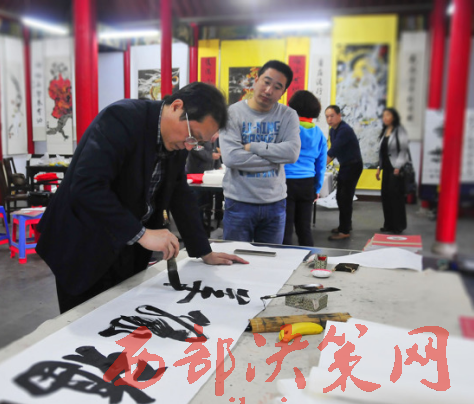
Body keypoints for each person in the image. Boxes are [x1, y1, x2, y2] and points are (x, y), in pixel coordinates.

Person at [36, 82, 248, 313]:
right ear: (177, 106)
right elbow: (87, 187)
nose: (190, 147)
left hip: (126, 245)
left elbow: (179, 193)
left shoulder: (177, 142)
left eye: (198, 143)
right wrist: (141, 233)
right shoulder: (121, 120)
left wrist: (203, 250)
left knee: (121, 314)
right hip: (83, 244)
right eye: (192, 136)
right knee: (84, 320)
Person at [220, 60, 301, 244]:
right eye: (266, 82)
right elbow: (231, 158)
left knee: (270, 259)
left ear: (283, 92)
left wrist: (254, 147)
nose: (269, 90)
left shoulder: (288, 115)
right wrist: (275, 159)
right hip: (239, 202)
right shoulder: (232, 113)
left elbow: (291, 154)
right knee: (235, 258)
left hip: (275, 204)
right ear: (256, 80)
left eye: (277, 87)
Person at [282, 90, 327, 246]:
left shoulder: (287, 129)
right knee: (304, 228)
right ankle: (309, 258)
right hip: (307, 183)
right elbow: (321, 165)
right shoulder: (319, 134)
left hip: (286, 181)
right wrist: (317, 188)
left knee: (285, 228)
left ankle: (284, 259)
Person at [325, 105, 363, 241]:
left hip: (353, 165)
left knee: (345, 197)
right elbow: (333, 152)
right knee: (340, 197)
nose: (329, 119)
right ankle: (345, 225)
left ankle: (344, 231)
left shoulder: (344, 130)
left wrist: (318, 167)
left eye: (332, 116)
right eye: (327, 117)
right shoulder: (333, 131)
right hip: (345, 165)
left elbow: (333, 151)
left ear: (339, 115)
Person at [375, 108, 410, 234]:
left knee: (396, 196)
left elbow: (403, 150)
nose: (385, 117)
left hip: (396, 168)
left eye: (388, 115)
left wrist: (398, 166)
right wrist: (379, 168)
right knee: (386, 196)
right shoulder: (385, 130)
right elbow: (382, 152)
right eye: (384, 115)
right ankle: (388, 224)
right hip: (386, 168)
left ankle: (398, 225)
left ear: (394, 117)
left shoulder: (399, 130)